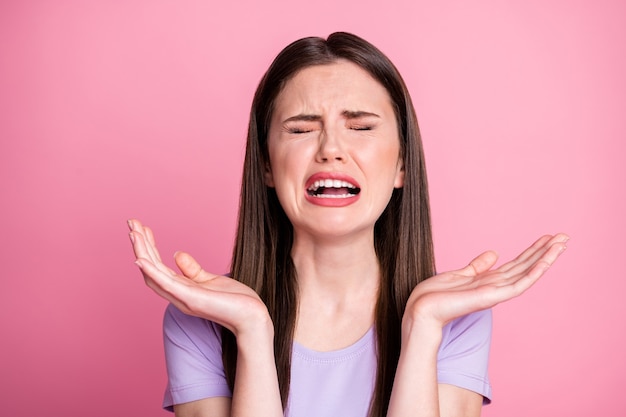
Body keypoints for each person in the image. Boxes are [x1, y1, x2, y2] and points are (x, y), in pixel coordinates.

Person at [128, 32, 568, 417]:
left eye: (359, 126)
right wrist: (252, 332)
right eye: (301, 130)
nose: (331, 149)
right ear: (265, 164)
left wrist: (422, 326)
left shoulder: (455, 317)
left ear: (401, 165)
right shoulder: (202, 319)